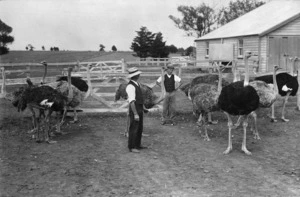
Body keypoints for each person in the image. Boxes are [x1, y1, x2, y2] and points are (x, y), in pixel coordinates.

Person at [126, 67, 148, 153]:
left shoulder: (137, 84)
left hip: (139, 109)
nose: (139, 75)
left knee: (139, 128)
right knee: (134, 128)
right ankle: (131, 147)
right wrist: (135, 114)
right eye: (138, 74)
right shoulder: (131, 86)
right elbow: (132, 102)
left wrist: (143, 108)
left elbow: (139, 98)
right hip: (134, 109)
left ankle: (138, 144)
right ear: (135, 75)